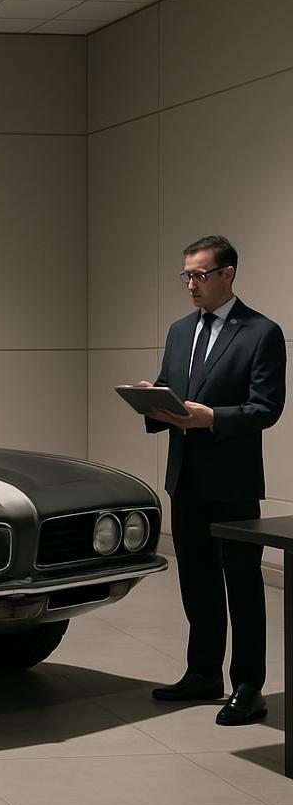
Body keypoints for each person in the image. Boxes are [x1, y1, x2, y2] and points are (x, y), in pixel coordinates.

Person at [140, 235, 285, 725]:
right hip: (186, 478)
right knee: (196, 582)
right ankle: (203, 673)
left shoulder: (261, 332)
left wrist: (213, 418)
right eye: (186, 275)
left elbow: (266, 409)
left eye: (200, 275)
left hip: (233, 481)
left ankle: (248, 686)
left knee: (243, 586)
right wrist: (153, 402)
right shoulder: (180, 331)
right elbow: (172, 393)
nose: (191, 285)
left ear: (228, 274)